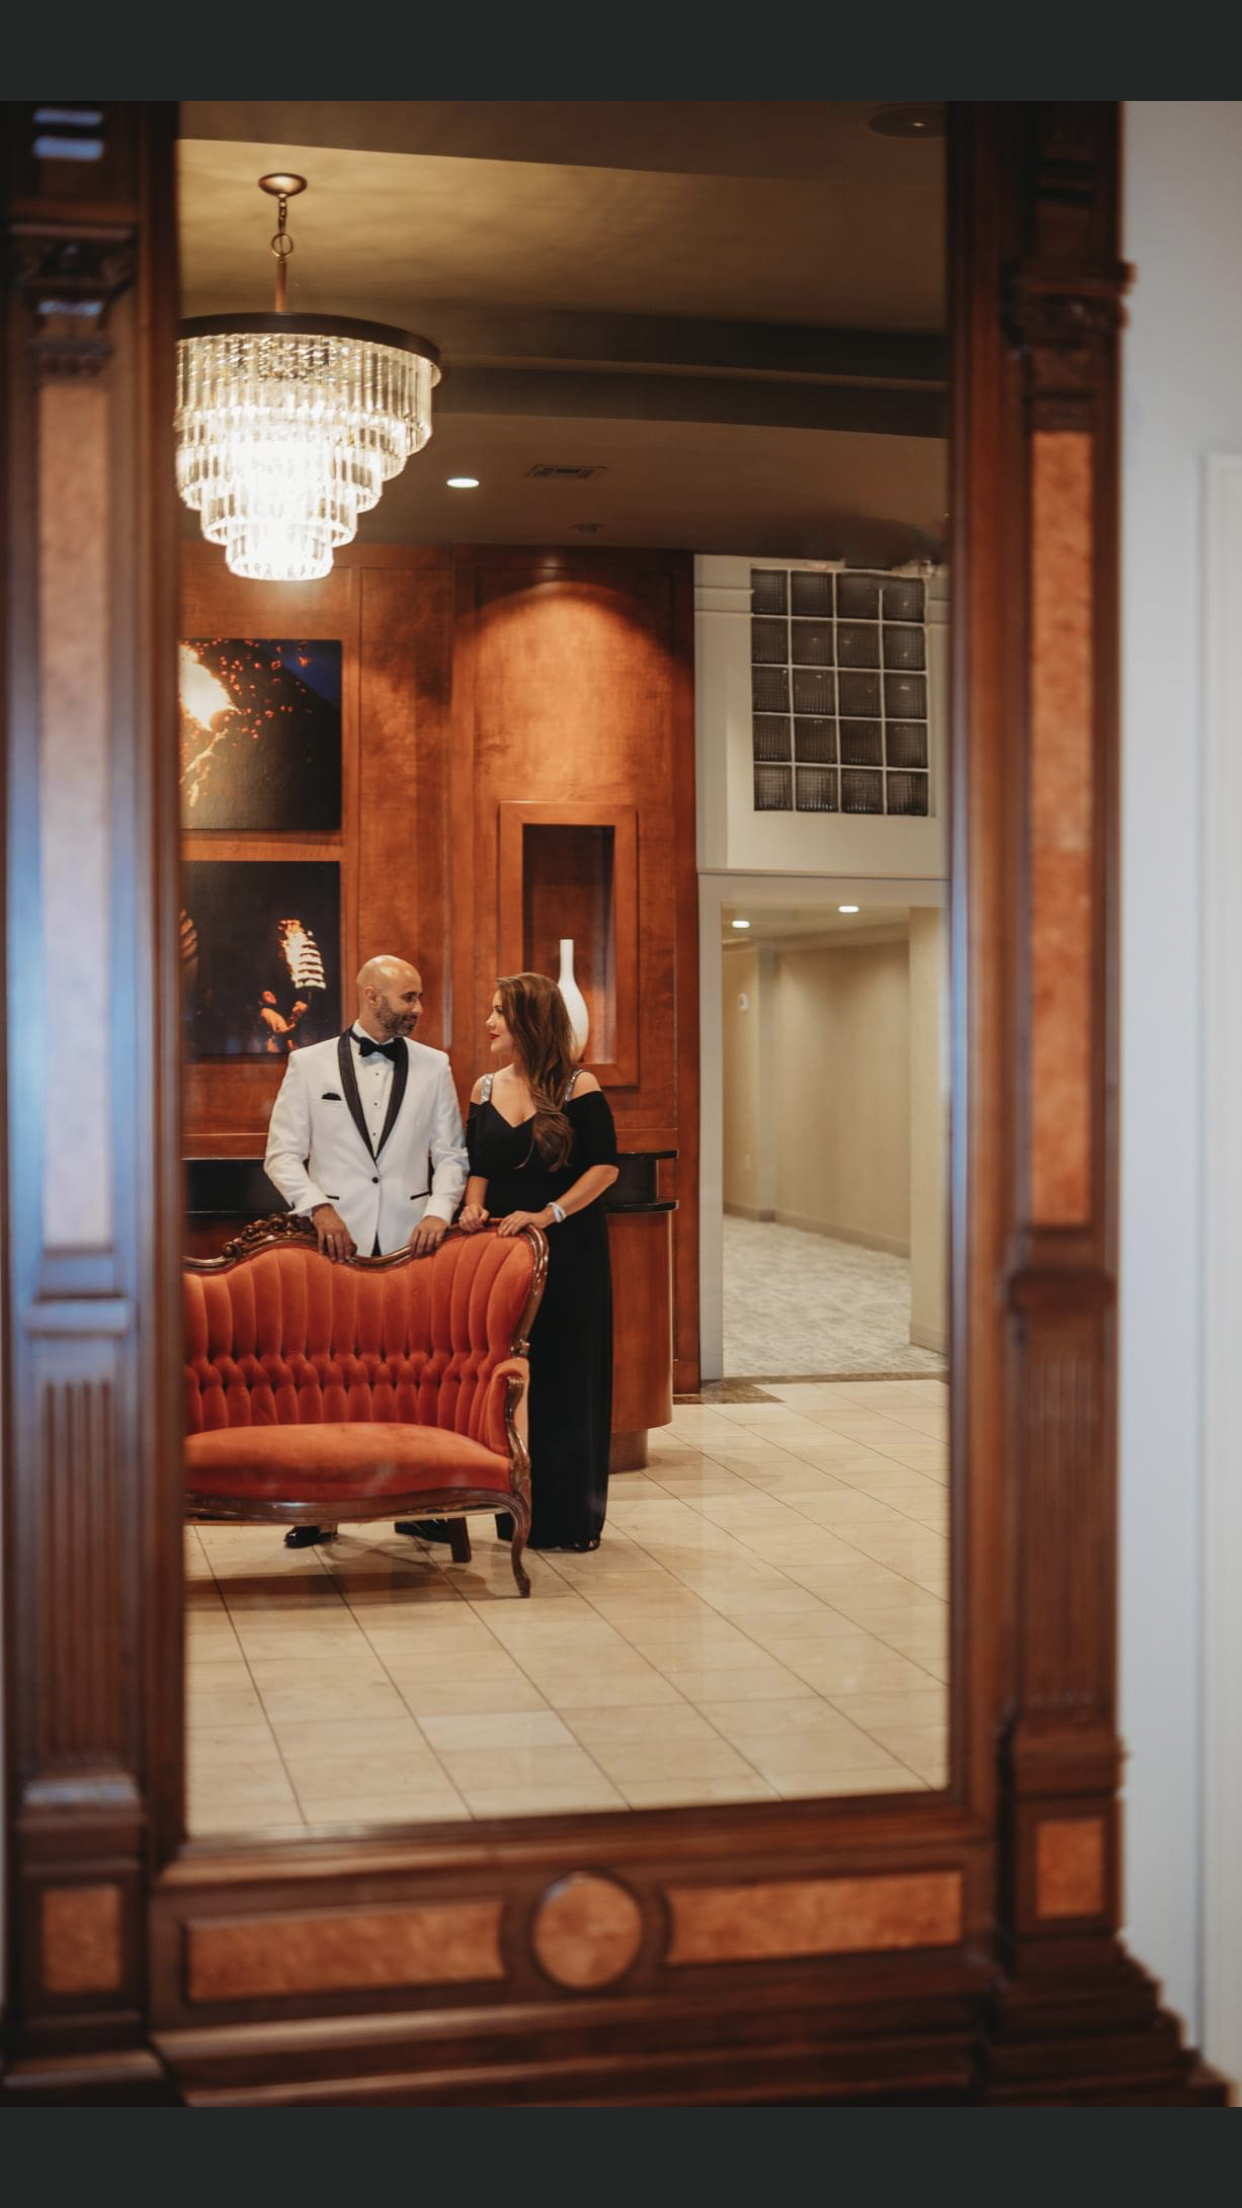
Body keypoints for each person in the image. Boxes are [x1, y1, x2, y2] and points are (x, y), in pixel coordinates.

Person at [263, 953, 469, 1549]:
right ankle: (321, 1505)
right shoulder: (307, 1063)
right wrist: (317, 1207)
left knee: (412, 1373)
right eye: (409, 997)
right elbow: (281, 1154)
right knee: (327, 1374)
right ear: (372, 996)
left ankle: (418, 1500)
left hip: (412, 1241)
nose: (418, 1008)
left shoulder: (435, 1065)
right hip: (334, 1243)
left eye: (419, 996)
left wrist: (438, 1212)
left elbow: (451, 1156)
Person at [458, 972, 618, 1551]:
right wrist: (473, 1207)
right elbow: (478, 1167)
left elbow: (605, 1168)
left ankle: (572, 1520)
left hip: (569, 1253)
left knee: (568, 1377)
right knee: (512, 1382)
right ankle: (516, 1511)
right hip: (504, 1258)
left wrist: (549, 1213)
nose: (489, 1022)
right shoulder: (482, 1088)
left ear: (530, 1020)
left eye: (500, 1012)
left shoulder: (579, 1084)